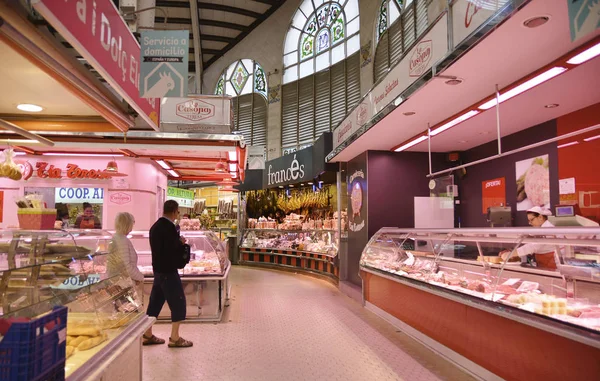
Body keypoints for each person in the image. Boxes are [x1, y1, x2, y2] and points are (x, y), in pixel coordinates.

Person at [143, 200, 193, 348]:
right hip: (169, 271)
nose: (177, 215)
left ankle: (147, 334)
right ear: (174, 211)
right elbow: (172, 251)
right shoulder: (170, 228)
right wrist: (182, 244)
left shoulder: (155, 227)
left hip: (158, 271)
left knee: (155, 303)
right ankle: (175, 338)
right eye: (177, 212)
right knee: (178, 302)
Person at [106, 212, 144, 284]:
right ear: (127, 225)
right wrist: (140, 277)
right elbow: (126, 267)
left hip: (117, 280)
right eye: (131, 225)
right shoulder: (122, 240)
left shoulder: (117, 238)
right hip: (121, 282)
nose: (131, 229)